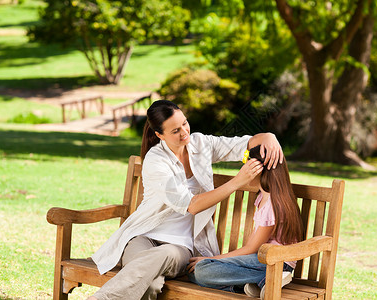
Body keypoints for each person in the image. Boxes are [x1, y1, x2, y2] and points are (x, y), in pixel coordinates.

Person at [87, 100, 284, 300]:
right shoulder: (156, 161)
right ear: (159, 135)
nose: (184, 132)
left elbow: (243, 144)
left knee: (161, 257)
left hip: (180, 247)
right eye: (175, 131)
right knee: (151, 285)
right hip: (142, 237)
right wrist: (236, 183)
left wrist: (269, 136)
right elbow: (192, 205)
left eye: (185, 123)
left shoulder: (200, 144)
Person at [187, 145, 305, 299]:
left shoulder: (273, 205)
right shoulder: (264, 197)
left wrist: (211, 260)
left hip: (275, 262)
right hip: (260, 260)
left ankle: (268, 279)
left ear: (259, 170)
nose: (243, 170)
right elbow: (251, 249)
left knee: (202, 269)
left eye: (246, 166)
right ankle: (252, 285)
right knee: (194, 273)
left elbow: (251, 248)